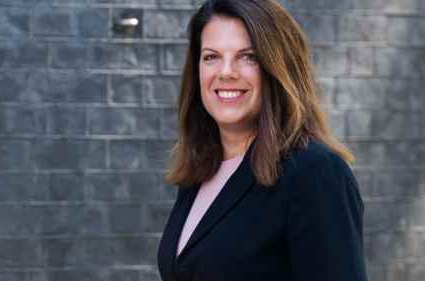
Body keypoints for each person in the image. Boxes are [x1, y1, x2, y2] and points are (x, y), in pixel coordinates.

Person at [157, 0, 369, 280]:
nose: (226, 72)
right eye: (211, 57)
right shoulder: (200, 173)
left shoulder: (314, 172)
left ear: (278, 68)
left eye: (249, 57)